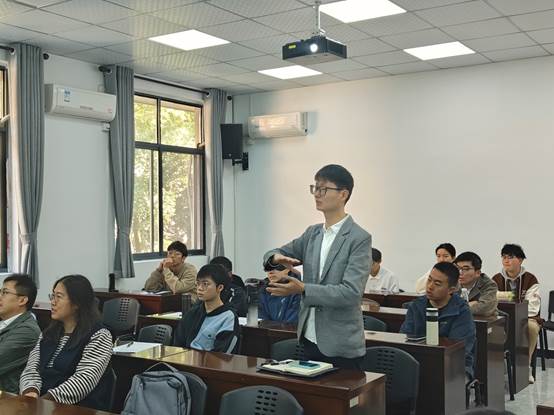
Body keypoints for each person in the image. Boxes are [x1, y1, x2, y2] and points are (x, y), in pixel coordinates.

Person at [263, 164, 371, 369]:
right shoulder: (313, 234)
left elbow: (351, 293)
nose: (317, 194)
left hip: (340, 345)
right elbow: (274, 253)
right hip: (308, 337)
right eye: (315, 188)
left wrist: (303, 288)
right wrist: (276, 257)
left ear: (343, 194)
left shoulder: (359, 238)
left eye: (323, 189)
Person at [20, 275, 113, 411]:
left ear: (77, 303)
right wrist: (30, 393)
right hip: (42, 403)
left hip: (79, 408)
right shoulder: (48, 334)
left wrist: (44, 402)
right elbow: (31, 369)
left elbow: (83, 381)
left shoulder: (99, 335)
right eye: (52, 296)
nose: (53, 302)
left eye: (59, 297)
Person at [401, 262, 476, 378]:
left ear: (451, 290)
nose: (430, 286)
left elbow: (458, 351)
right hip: (419, 362)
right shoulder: (416, 306)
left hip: (455, 367)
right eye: (429, 280)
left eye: (437, 284)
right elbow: (405, 338)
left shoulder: (462, 311)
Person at [491, 243, 541, 383]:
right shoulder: (496, 279)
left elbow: (532, 307)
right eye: (504, 257)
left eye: (510, 257)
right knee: (488, 328)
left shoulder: (531, 279)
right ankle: (496, 366)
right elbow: (490, 300)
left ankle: (526, 366)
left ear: (520, 260)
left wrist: (505, 297)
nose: (506, 260)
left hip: (526, 318)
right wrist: (512, 298)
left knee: (532, 327)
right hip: (501, 317)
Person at [174, 264, 239, 353]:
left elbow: (222, 353)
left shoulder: (228, 317)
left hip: (210, 361)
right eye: (198, 283)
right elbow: (177, 344)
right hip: (187, 359)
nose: (199, 288)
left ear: (220, 287)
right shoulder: (192, 313)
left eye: (205, 284)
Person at [0, 274, 40, 394]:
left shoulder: (28, 330)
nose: (0, 296)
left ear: (22, 300)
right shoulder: (4, 321)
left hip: (7, 398)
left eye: (5, 292)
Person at [454, 251, 497, 317]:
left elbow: (485, 309)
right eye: (458, 268)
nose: (460, 272)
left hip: (485, 321)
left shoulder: (489, 285)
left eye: (465, 269)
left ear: (478, 273)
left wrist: (457, 307)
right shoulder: (452, 282)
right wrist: (471, 304)